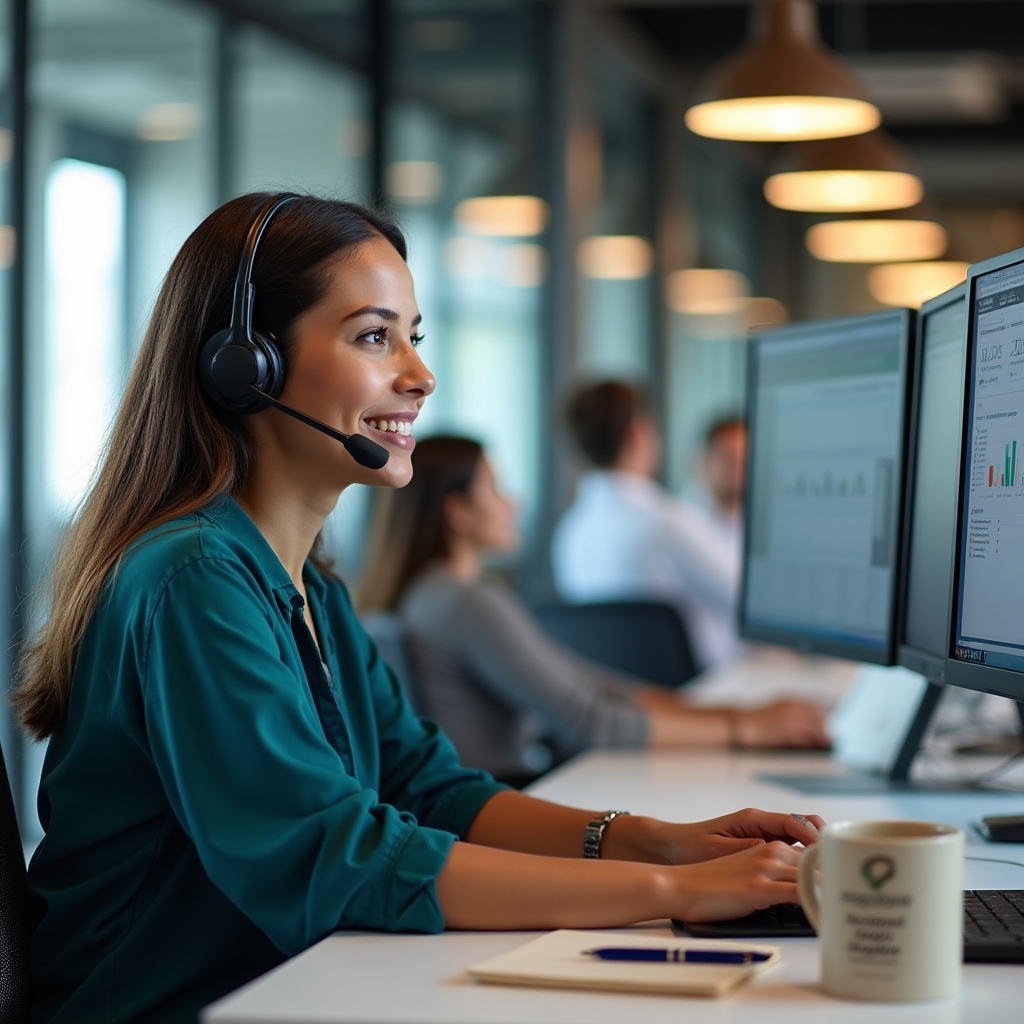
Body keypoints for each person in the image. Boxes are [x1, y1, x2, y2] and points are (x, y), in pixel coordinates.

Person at [17, 193, 824, 1024]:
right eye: (375, 336)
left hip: (283, 988)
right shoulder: (193, 581)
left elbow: (430, 790)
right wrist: (673, 891)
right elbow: (332, 860)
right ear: (245, 365)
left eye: (415, 336)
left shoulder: (312, 590)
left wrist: (671, 839)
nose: (420, 375)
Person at [359, 435, 827, 782]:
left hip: (503, 785)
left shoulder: (427, 595)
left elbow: (587, 682)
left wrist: (724, 715)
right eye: (496, 489)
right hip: (508, 790)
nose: (513, 503)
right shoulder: (466, 602)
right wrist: (745, 728)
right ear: (457, 511)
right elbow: (590, 718)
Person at [553, 381, 743, 670]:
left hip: (613, 698)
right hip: (690, 694)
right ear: (636, 435)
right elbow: (744, 598)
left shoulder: (570, 533)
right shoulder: (668, 522)